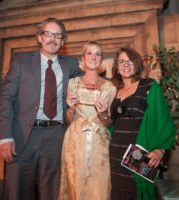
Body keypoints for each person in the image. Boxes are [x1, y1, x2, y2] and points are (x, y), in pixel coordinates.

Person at [0, 17, 84, 200]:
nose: (53, 39)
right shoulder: (21, 60)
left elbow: (92, 79)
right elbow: (5, 98)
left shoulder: (71, 64)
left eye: (58, 35)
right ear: (39, 37)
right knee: (19, 192)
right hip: (22, 137)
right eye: (48, 34)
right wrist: (5, 137)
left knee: (53, 193)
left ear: (62, 40)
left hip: (56, 137)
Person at [109, 47, 176, 200]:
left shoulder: (149, 86)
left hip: (139, 156)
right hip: (115, 156)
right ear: (117, 67)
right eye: (122, 62)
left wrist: (160, 150)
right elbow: (110, 124)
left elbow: (164, 121)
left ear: (137, 65)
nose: (126, 65)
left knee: (140, 193)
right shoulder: (114, 90)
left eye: (130, 61)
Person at [58, 41, 117, 200]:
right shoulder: (72, 83)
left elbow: (109, 122)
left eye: (98, 54)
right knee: (75, 185)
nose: (94, 57)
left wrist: (103, 113)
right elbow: (67, 120)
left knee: (100, 187)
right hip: (75, 143)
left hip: (100, 144)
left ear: (101, 60)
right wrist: (71, 108)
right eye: (90, 53)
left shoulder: (110, 87)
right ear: (83, 59)